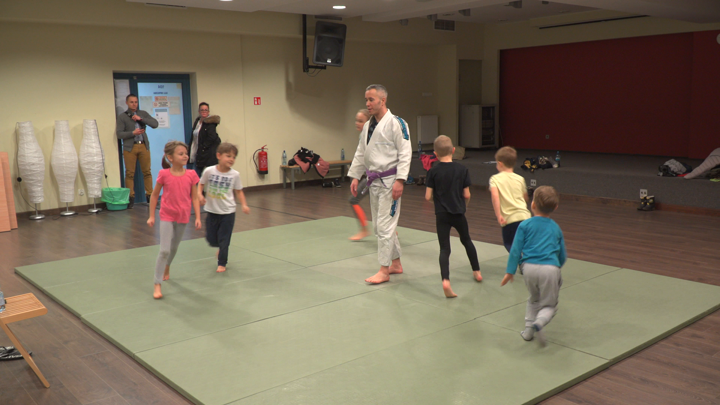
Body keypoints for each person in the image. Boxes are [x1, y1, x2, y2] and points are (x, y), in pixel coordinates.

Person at [348, 84, 412, 284]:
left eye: (371, 99)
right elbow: (361, 152)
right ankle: (396, 264)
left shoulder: (397, 123)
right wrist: (355, 175)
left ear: (383, 100)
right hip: (373, 181)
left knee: (385, 226)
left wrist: (400, 180)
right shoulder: (368, 125)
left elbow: (405, 153)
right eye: (366, 100)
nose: (367, 103)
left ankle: (384, 270)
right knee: (379, 226)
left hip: (390, 182)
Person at [501, 186, 566, 347]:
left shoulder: (524, 225)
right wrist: (557, 268)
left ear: (533, 204)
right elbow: (562, 254)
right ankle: (540, 322)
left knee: (534, 299)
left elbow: (515, 250)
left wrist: (510, 271)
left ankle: (528, 331)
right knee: (549, 305)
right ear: (555, 207)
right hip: (549, 268)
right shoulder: (555, 228)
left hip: (528, 268)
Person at [425, 135, 482, 298]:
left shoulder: (433, 171)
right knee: (467, 241)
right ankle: (477, 271)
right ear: (454, 150)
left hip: (441, 215)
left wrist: (437, 203)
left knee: (444, 249)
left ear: (435, 154)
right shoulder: (462, 169)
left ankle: (445, 281)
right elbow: (467, 194)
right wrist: (464, 207)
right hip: (458, 213)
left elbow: (428, 197)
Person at [147, 141, 201, 299]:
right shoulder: (164, 174)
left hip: (183, 216)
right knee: (164, 250)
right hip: (167, 215)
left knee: (174, 248)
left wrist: (198, 217)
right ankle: (157, 284)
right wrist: (151, 215)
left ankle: (167, 265)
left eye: (186, 153)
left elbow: (195, 197)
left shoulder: (191, 174)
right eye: (181, 154)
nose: (185, 156)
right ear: (170, 157)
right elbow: (154, 195)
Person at [198, 143, 250, 273]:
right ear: (219, 156)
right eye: (228, 156)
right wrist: (199, 195)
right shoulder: (209, 171)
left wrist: (244, 204)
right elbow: (201, 184)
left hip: (228, 212)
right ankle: (220, 248)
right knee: (211, 239)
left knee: (224, 239)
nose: (231, 159)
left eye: (234, 157)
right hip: (212, 211)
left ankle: (222, 262)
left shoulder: (235, 175)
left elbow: (239, 191)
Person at [116, 94, 158, 209]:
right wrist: (132, 133)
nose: (134, 104)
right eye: (131, 102)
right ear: (127, 103)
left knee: (147, 172)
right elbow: (119, 134)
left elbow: (155, 124)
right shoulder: (122, 117)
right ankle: (131, 197)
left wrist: (141, 119)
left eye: (136, 102)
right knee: (130, 173)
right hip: (130, 147)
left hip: (143, 145)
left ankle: (150, 196)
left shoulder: (142, 113)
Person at [489, 146, 531, 252]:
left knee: (509, 244)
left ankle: (520, 260)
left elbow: (495, 196)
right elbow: (525, 197)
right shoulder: (520, 179)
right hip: (525, 217)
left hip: (509, 220)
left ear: (500, 163)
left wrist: (498, 215)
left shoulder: (495, 179)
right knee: (524, 244)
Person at [348, 109, 371, 241]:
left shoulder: (370, 136)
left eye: (361, 121)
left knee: (353, 200)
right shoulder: (363, 136)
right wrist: (355, 177)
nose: (357, 123)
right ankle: (392, 231)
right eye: (356, 120)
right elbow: (360, 157)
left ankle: (364, 230)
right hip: (371, 177)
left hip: (375, 178)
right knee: (379, 205)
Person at [189, 102, 222, 178]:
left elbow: (212, 137)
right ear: (199, 111)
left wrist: (203, 147)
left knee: (203, 176)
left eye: (206, 110)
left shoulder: (210, 123)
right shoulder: (197, 122)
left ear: (208, 111)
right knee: (195, 175)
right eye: (202, 110)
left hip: (207, 154)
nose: (204, 111)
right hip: (197, 152)